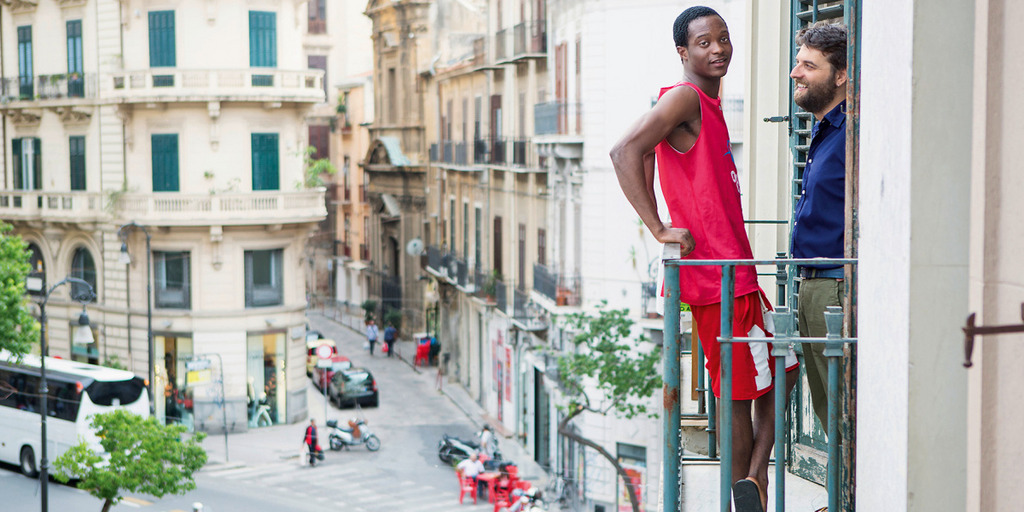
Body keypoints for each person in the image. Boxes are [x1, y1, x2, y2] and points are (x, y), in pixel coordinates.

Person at [609, 7, 798, 511]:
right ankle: (748, 490)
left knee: (776, 372)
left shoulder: (703, 106)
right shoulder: (685, 98)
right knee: (745, 388)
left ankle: (752, 483)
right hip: (720, 277)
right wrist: (659, 228)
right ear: (683, 52)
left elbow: (649, 155)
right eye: (703, 42)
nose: (717, 49)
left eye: (724, 38)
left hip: (730, 273)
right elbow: (625, 150)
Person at [789, 22, 849, 433]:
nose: (796, 73)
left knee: (844, 407)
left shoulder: (852, 133)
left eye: (808, 66)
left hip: (835, 287)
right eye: (797, 63)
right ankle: (843, 496)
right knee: (828, 409)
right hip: (812, 284)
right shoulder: (825, 128)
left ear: (840, 75)